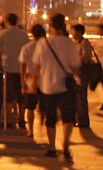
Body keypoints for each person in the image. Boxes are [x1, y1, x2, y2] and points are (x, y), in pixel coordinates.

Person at [33, 13, 80, 161]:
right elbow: (76, 65)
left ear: (51, 26)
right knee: (68, 116)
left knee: (50, 118)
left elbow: (36, 65)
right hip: (66, 87)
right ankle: (65, 142)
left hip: (47, 87)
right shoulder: (70, 44)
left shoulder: (43, 43)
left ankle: (52, 148)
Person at [0, 14, 29, 129]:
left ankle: (8, 120)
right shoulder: (23, 34)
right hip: (22, 69)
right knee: (21, 96)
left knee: (8, 97)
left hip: (7, 68)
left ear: (6, 21)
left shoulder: (2, 34)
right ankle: (22, 119)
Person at [18, 24, 46, 137]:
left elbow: (23, 66)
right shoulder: (46, 48)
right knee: (44, 104)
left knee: (30, 106)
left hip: (30, 78)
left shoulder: (27, 47)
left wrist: (22, 82)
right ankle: (43, 124)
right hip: (44, 78)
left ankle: (31, 130)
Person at [71, 23, 94, 128]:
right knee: (78, 97)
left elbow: (85, 57)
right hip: (77, 73)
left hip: (82, 73)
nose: (72, 33)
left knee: (82, 98)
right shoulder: (77, 43)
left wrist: (75, 60)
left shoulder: (84, 43)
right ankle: (80, 119)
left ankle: (83, 121)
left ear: (80, 32)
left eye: (74, 31)